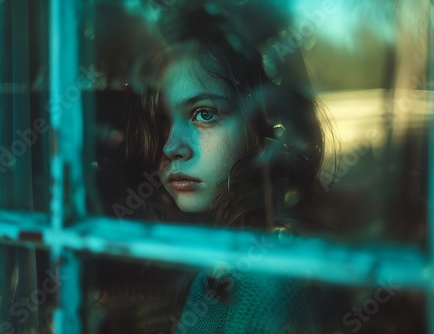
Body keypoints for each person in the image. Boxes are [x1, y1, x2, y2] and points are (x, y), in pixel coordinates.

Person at [108, 3, 334, 333]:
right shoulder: (225, 258)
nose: (172, 147)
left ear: (262, 127)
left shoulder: (263, 280)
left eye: (204, 114)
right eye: (160, 121)